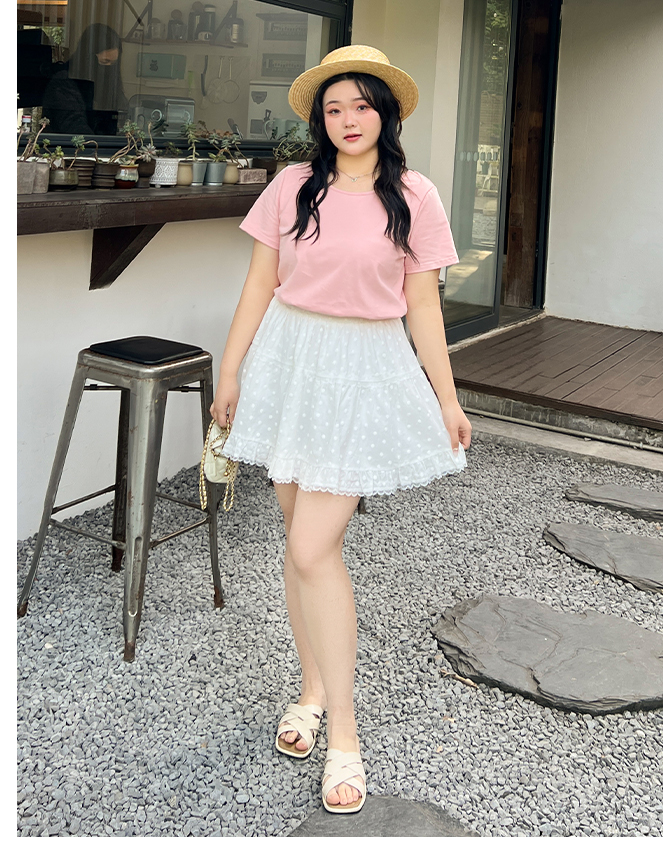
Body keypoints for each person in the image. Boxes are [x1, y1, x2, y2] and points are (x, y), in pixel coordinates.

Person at [211, 44, 472, 815]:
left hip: (363, 372)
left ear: (384, 113)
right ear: (319, 121)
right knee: (305, 550)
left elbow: (422, 305)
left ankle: (345, 736)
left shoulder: (414, 195)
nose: (348, 119)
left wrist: (447, 397)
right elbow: (259, 284)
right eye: (334, 108)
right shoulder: (293, 186)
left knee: (308, 548)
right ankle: (312, 690)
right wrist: (231, 371)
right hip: (289, 364)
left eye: (361, 105)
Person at [42, 22, 128, 135]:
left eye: (113, 64)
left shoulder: (107, 86)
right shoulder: (64, 82)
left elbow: (120, 112)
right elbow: (74, 127)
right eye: (104, 62)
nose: (109, 69)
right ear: (88, 58)